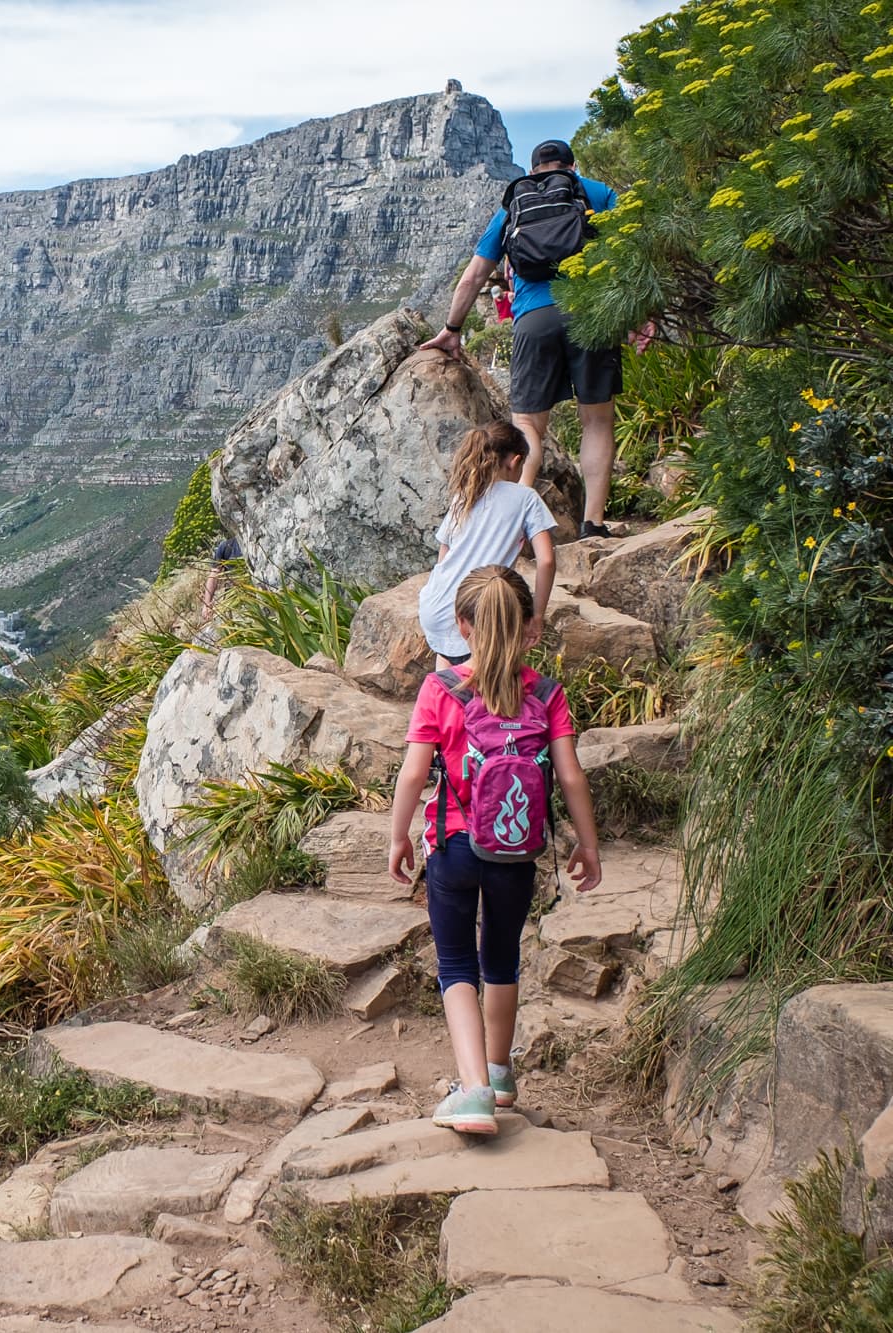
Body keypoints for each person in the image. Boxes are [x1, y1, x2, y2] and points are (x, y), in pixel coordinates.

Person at [387, 565, 603, 1136]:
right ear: (531, 627)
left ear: (463, 626)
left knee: (457, 964)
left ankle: (474, 1090)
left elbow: (413, 774)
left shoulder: (440, 690)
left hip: (454, 847)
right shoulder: (547, 693)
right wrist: (588, 843)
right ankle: (501, 1073)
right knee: (501, 956)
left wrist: (397, 835)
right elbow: (573, 777)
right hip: (517, 851)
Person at [420, 139, 623, 539]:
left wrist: (453, 328)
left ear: (532, 172)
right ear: (572, 167)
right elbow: (631, 252)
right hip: (590, 311)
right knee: (596, 420)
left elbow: (473, 276)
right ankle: (593, 525)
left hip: (533, 319)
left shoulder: (515, 205)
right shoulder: (597, 193)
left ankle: (514, 526)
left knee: (528, 424)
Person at [419, 421, 556, 668]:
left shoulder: (466, 494)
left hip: (434, 604)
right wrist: (536, 616)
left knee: (450, 663)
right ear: (515, 462)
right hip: (478, 610)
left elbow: (444, 554)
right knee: (484, 674)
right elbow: (546, 560)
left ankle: (438, 700)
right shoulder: (526, 498)